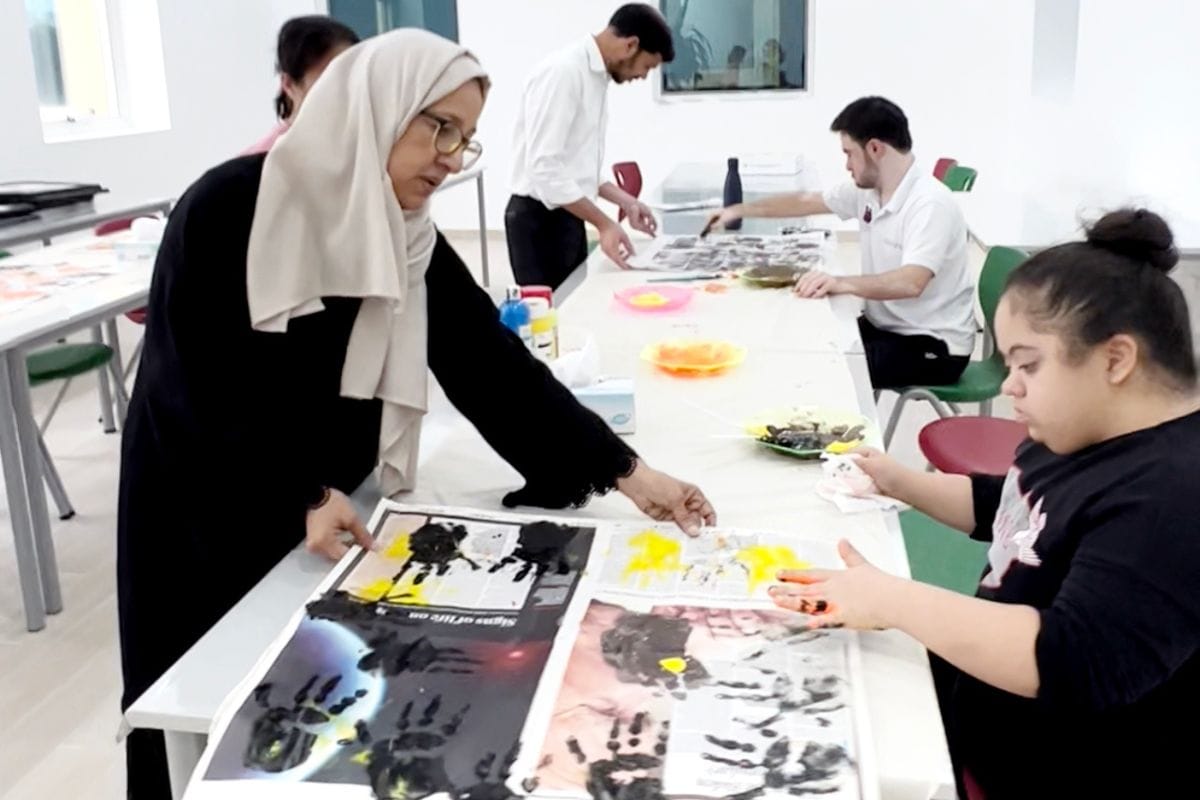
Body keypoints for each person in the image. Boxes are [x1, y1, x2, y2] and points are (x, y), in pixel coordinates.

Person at [118, 29, 714, 798]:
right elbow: (194, 387)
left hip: (334, 514)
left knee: (320, 724)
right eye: (438, 126)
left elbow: (490, 364)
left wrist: (628, 472)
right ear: (376, 106)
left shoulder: (406, 232)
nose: (451, 156)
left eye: (464, 138)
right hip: (210, 509)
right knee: (206, 713)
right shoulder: (233, 205)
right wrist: (299, 493)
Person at [768, 209, 1200, 798]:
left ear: (1115, 359)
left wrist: (891, 598)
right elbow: (1016, 507)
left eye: (1028, 364)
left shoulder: (1174, 496)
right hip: (982, 698)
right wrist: (898, 482)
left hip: (1051, 764)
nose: (1008, 385)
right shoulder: (1080, 427)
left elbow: (1072, 659)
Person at [705, 96, 975, 389]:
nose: (847, 165)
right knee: (801, 339)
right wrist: (739, 210)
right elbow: (806, 201)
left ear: (875, 149)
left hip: (932, 346)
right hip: (885, 328)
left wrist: (839, 282)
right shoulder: (869, 192)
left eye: (849, 154)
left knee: (819, 367)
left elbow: (911, 283)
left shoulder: (929, 203)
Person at [506, 3, 674, 288]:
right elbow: (544, 168)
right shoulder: (564, 73)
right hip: (538, 222)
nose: (643, 77)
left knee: (575, 303)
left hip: (569, 214)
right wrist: (605, 224)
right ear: (631, 45)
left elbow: (575, 167)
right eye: (647, 67)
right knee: (552, 311)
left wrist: (627, 201)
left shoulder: (595, 77)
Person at [242, 15, 359, 155]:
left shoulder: (365, 142)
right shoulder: (263, 163)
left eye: (352, 77)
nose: (344, 94)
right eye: (327, 84)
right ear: (289, 85)